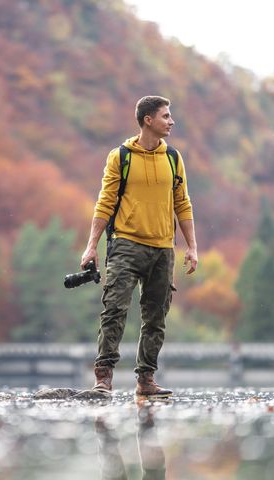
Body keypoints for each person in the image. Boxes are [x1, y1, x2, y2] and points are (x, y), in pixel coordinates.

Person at [80, 95, 198, 397]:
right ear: (148, 120)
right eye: (166, 116)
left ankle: (146, 380)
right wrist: (91, 246)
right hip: (126, 245)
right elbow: (105, 202)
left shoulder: (173, 157)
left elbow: (182, 203)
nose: (171, 122)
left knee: (156, 316)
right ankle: (103, 377)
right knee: (114, 310)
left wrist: (192, 247)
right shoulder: (120, 156)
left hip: (163, 249)